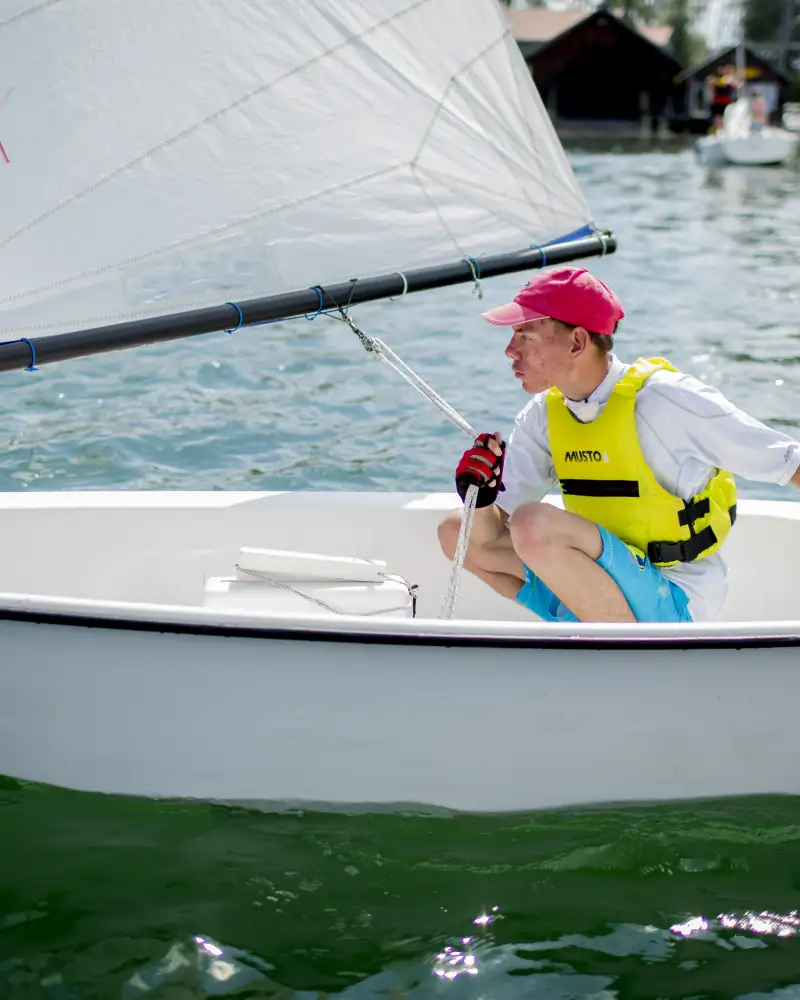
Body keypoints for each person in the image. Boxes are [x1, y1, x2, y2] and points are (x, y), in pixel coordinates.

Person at [437, 267, 800, 623]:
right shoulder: (543, 416)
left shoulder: (666, 400)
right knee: (457, 530)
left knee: (533, 524)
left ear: (577, 341)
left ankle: (616, 651)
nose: (509, 350)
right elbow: (484, 537)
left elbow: (791, 463)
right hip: (605, 588)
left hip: (675, 598)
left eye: (525, 336)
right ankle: (590, 633)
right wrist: (482, 499)